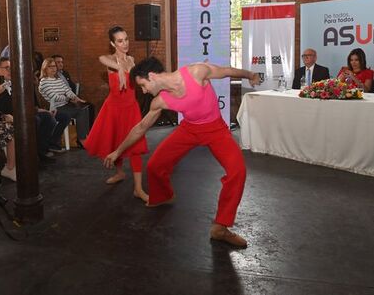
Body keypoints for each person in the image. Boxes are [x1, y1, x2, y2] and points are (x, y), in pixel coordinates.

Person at [104, 57, 260, 248]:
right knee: (155, 165)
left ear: (151, 76)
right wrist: (117, 151)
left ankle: (220, 228)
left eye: (143, 85)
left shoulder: (196, 72)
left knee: (238, 172)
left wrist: (250, 74)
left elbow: (226, 71)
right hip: (189, 129)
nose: (143, 91)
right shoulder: (159, 101)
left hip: (216, 130)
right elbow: (141, 127)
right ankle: (164, 195)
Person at [82, 26, 149, 202]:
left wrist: (143, 84)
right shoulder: (109, 59)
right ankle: (120, 173)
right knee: (115, 142)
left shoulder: (132, 59)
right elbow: (100, 58)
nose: (125, 43)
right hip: (113, 108)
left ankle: (138, 189)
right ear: (113, 43)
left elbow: (135, 79)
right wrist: (119, 68)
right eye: (120, 40)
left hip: (131, 108)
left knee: (135, 147)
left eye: (126, 39)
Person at [0, 57, 66, 161]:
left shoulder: (11, 81)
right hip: (6, 116)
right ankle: (29, 155)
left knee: (47, 118)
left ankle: (41, 151)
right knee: (34, 121)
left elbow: (23, 101)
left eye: (11, 68)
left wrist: (37, 110)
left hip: (19, 113)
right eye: (7, 68)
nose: (10, 70)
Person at [39, 59, 91, 145]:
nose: (53, 69)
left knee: (85, 108)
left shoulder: (58, 79)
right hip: (54, 108)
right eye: (50, 66)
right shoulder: (44, 82)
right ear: (45, 68)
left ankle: (85, 137)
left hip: (65, 105)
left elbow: (67, 90)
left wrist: (76, 98)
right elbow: (54, 97)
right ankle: (82, 139)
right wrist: (68, 99)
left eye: (54, 66)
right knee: (80, 112)